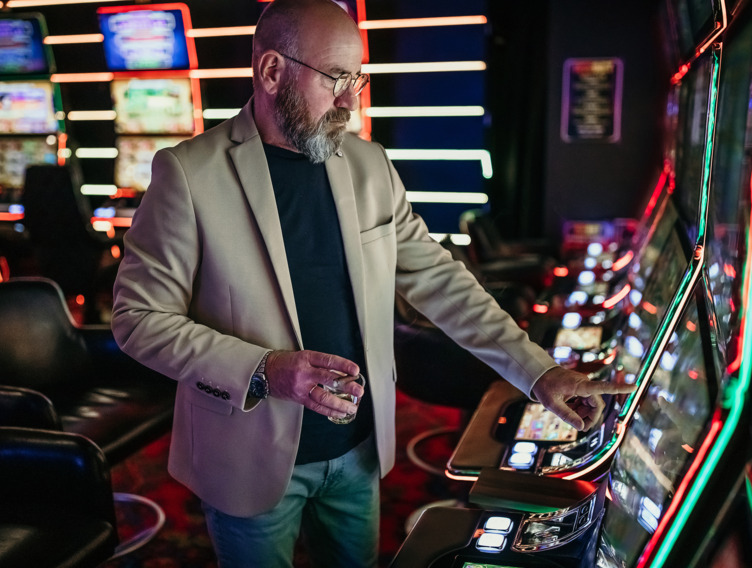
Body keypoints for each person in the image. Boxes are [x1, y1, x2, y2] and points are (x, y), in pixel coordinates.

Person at [111, 0, 636, 566]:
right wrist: (265, 370)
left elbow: (440, 280)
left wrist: (537, 371)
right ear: (271, 71)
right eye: (336, 78)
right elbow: (138, 320)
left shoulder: (370, 164)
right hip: (249, 454)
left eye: (356, 78)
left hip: (358, 448)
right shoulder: (188, 173)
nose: (349, 100)